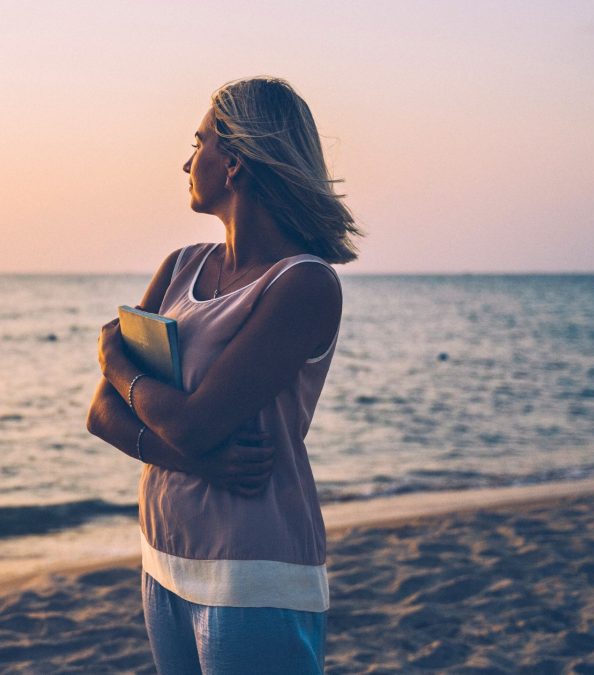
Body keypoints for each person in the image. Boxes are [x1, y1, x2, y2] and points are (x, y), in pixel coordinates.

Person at [87, 76, 362, 674]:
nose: (188, 160)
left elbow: (194, 423)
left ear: (234, 162)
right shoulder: (180, 267)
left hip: (253, 569)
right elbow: (100, 415)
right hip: (163, 554)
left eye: (200, 141)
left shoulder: (303, 285)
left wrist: (117, 364)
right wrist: (196, 462)